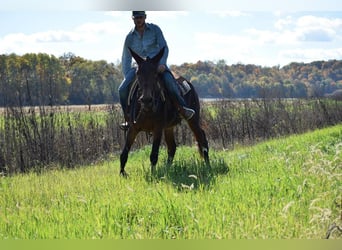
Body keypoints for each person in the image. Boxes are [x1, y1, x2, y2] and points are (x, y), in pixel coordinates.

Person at [118, 11, 195, 130]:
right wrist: (128, 74)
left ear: (145, 17)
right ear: (132, 19)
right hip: (140, 68)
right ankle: (127, 118)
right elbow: (126, 58)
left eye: (141, 17)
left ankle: (182, 109)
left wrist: (163, 64)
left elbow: (164, 47)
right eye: (136, 17)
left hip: (157, 65)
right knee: (122, 89)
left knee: (169, 82)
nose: (139, 20)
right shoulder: (129, 37)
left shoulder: (155, 30)